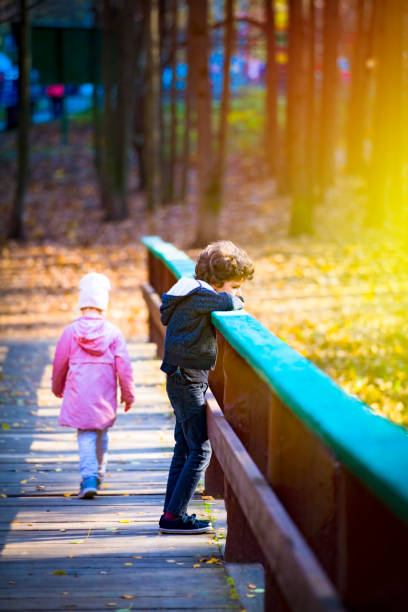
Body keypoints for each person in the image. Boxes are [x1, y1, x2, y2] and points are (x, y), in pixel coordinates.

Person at [158, 241, 254, 534]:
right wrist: (236, 298)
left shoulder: (189, 289)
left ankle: (171, 513)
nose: (237, 291)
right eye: (235, 285)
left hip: (182, 375)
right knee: (200, 449)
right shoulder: (201, 295)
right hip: (186, 377)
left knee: (185, 445)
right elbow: (230, 303)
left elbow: (227, 298)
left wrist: (232, 294)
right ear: (216, 282)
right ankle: (174, 516)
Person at [52, 273, 134, 499]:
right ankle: (97, 474)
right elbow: (125, 368)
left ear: (82, 304)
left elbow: (59, 363)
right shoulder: (113, 333)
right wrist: (128, 395)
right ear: (103, 305)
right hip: (104, 395)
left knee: (85, 435)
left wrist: (57, 386)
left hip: (79, 394)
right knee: (101, 433)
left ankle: (88, 478)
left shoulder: (70, 332)